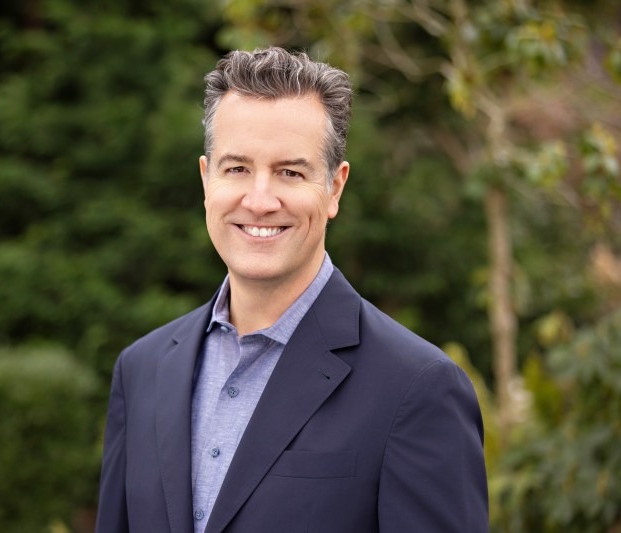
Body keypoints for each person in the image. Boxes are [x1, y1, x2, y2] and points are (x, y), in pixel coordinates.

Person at [96, 47, 488, 533]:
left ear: (335, 189)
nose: (260, 200)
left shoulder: (418, 387)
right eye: (236, 169)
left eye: (290, 172)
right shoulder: (141, 370)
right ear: (205, 180)